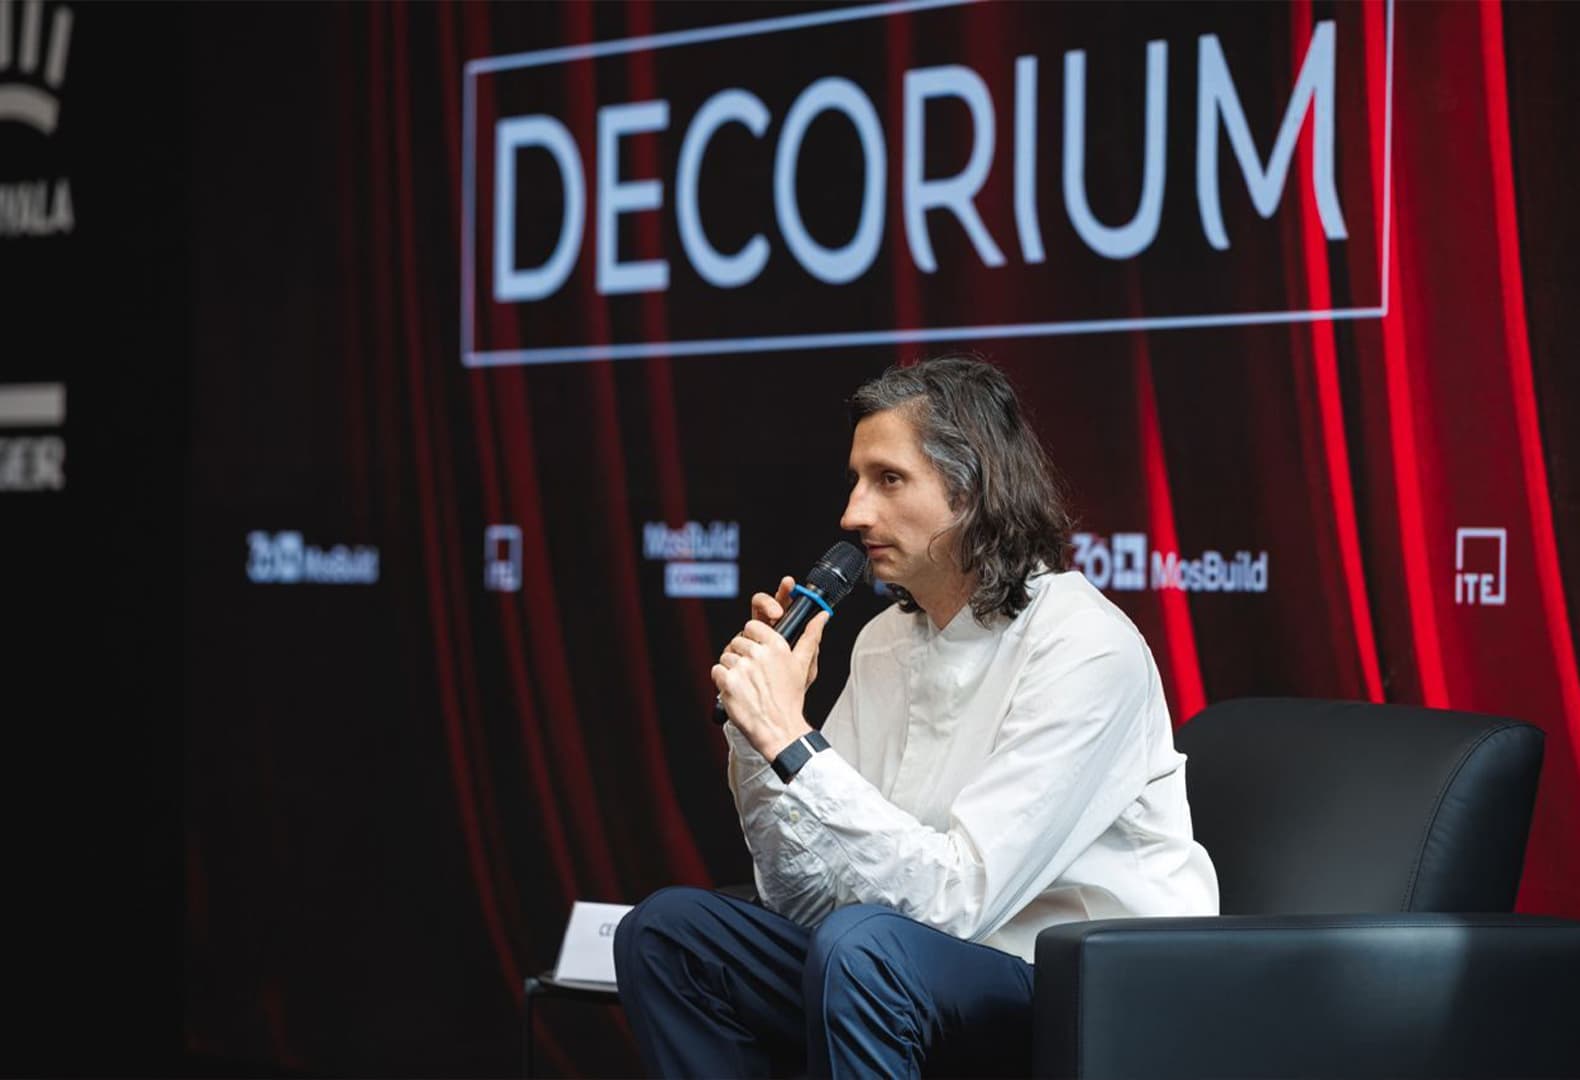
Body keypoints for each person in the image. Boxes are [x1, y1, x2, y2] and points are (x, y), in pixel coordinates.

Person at [614, 355, 1218, 1078]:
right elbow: (802, 900)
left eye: (889, 479)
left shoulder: (1087, 646)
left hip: (1085, 990)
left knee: (865, 947)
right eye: (855, 480)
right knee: (670, 934)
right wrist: (758, 738)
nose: (853, 514)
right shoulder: (884, 641)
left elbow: (958, 901)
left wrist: (793, 741)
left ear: (972, 489)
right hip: (903, 968)